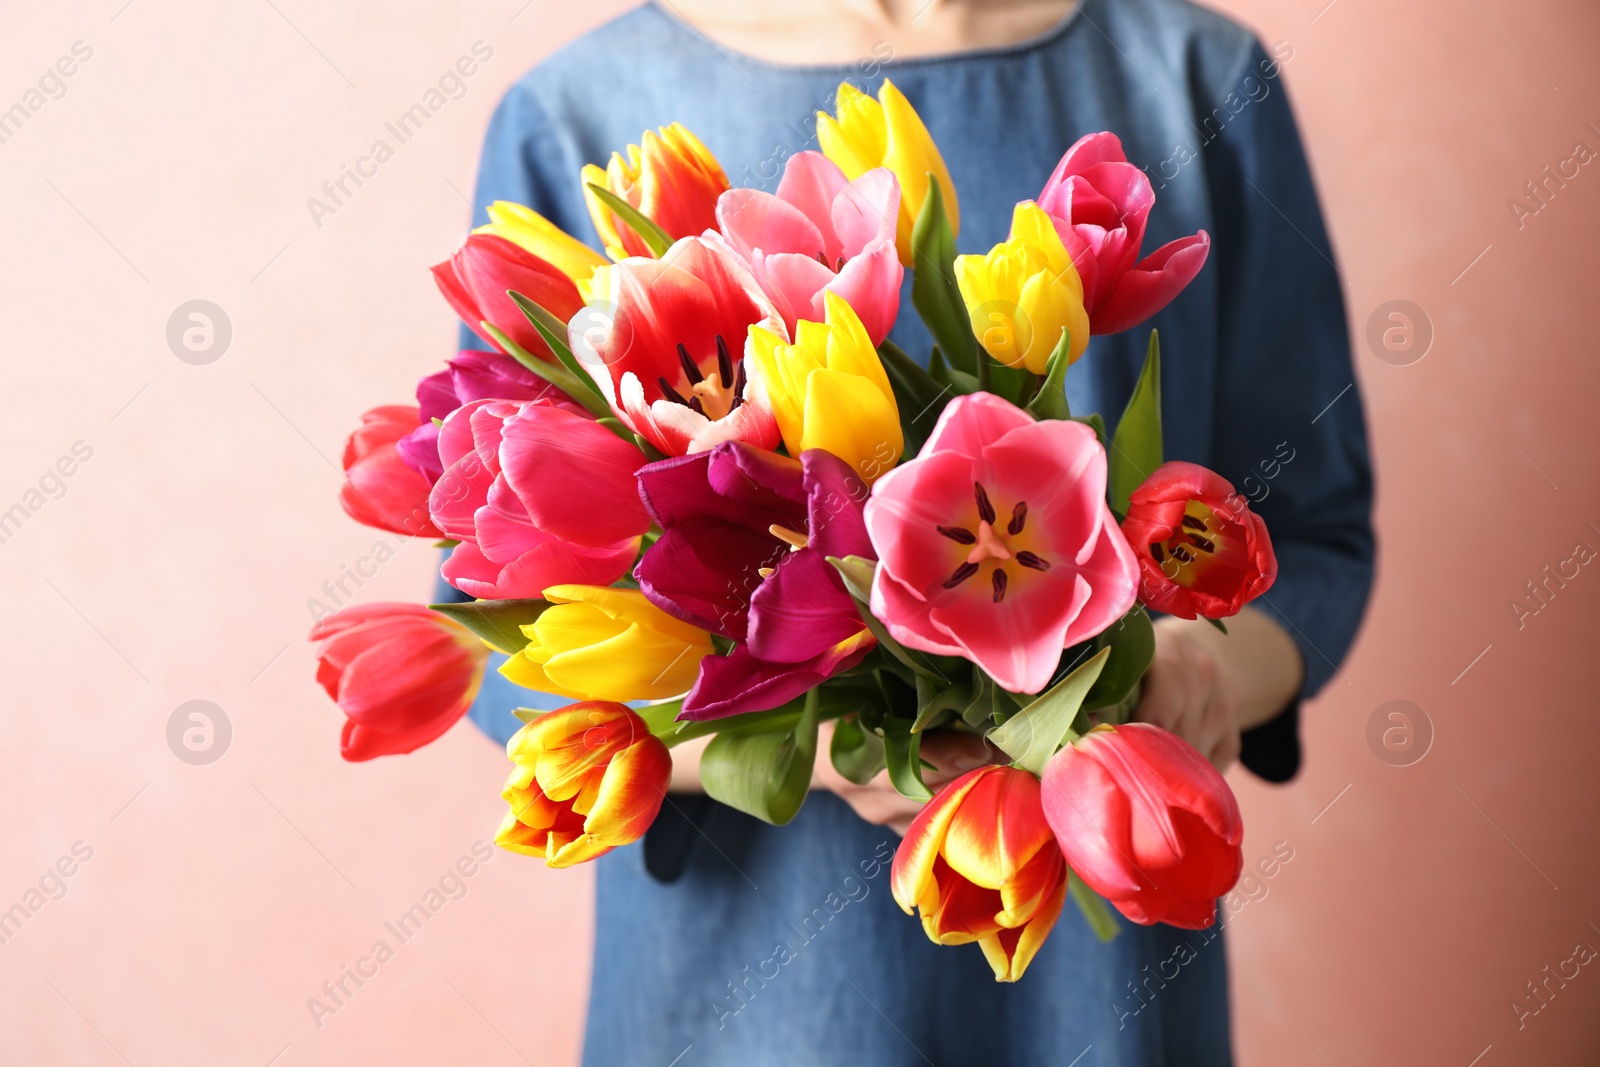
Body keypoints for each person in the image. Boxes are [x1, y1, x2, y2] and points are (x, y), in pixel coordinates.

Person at [446, 0, 1374, 1062]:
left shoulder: (1195, 76)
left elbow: (1314, 540)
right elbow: (493, 629)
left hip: (1094, 984)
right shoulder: (580, 108)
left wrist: (1193, 665)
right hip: (751, 998)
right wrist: (825, 740)